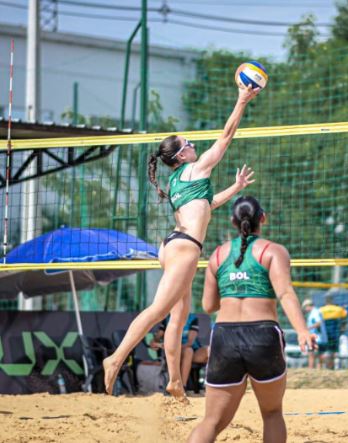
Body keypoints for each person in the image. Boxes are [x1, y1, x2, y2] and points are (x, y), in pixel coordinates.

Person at [103, 85, 260, 401]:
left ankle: (175, 381)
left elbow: (207, 205)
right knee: (158, 310)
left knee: (179, 315)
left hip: (175, 244)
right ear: (180, 155)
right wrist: (241, 101)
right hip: (184, 248)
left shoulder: (181, 179)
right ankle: (115, 358)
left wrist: (235, 187)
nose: (193, 145)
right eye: (188, 144)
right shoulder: (194, 169)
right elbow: (226, 136)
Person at [188, 196, 315, 443]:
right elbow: (285, 293)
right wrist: (302, 330)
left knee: (211, 421)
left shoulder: (217, 255)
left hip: (225, 335)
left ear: (233, 221)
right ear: (262, 218)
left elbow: (208, 306)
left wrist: (234, 288)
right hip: (262, 335)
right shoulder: (273, 251)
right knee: (272, 413)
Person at [150, 313, 209, 389]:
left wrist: (172, 347)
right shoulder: (167, 319)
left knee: (210, 350)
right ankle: (182, 387)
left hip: (191, 350)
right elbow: (155, 341)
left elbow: (189, 343)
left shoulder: (192, 318)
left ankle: (213, 385)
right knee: (188, 351)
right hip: (176, 353)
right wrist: (157, 344)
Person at [319, 294, 348, 370]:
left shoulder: (321, 310)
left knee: (327, 351)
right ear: (332, 301)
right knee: (335, 351)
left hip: (325, 334)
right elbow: (345, 316)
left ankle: (328, 367)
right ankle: (334, 367)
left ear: (325, 301)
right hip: (335, 332)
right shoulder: (339, 309)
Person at [302, 298, 327, 369]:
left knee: (311, 355)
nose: (305, 309)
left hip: (316, 338)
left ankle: (311, 369)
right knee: (319, 356)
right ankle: (318, 370)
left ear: (308, 306)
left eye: (305, 307)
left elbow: (319, 323)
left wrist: (308, 328)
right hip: (319, 338)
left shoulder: (315, 312)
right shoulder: (315, 312)